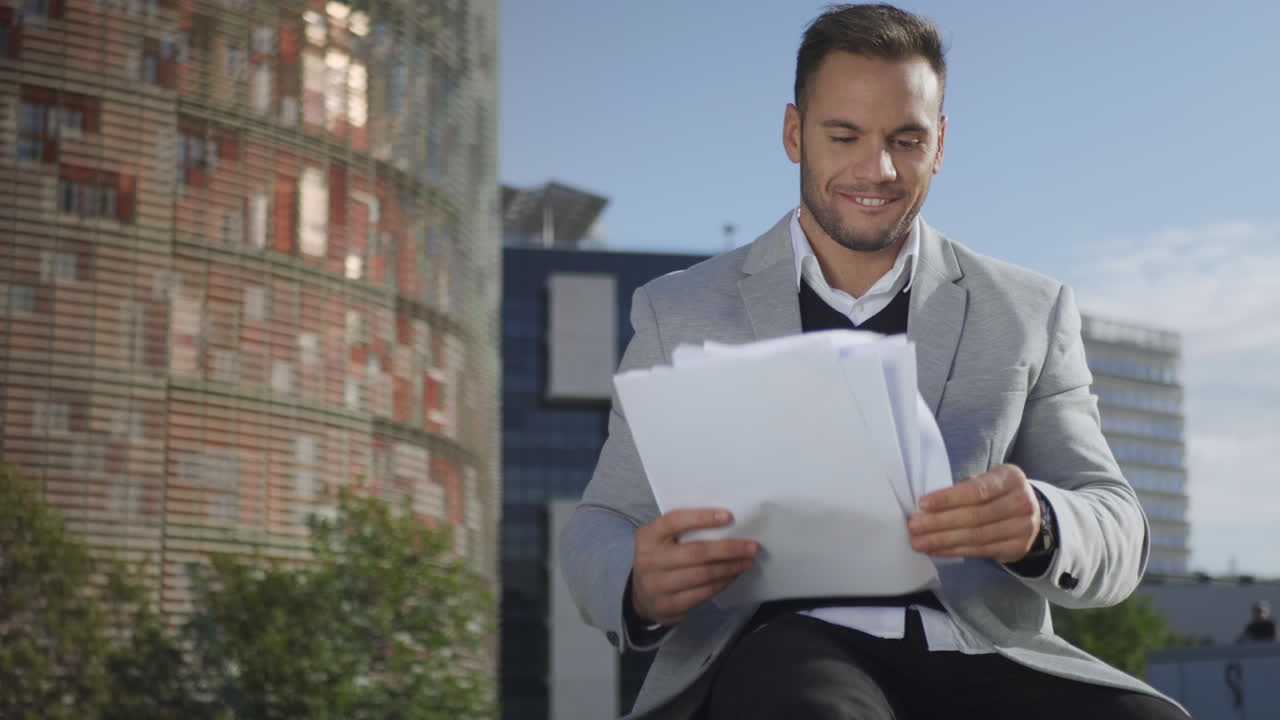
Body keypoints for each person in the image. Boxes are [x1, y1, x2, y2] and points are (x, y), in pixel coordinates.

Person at [559, 4, 1189, 719]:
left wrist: (1040, 523)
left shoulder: (1027, 311)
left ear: (941, 142)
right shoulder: (677, 310)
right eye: (845, 135)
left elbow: (1118, 526)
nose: (878, 169)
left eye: (906, 139)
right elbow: (599, 524)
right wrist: (639, 580)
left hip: (979, 652)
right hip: (774, 650)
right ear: (795, 134)